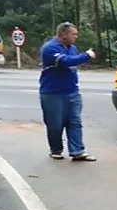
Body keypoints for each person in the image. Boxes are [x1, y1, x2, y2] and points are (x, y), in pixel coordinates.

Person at [39, 22, 96, 161]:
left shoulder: (72, 48)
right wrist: (86, 56)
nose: (75, 37)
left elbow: (73, 62)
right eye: (73, 34)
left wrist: (82, 57)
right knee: (55, 124)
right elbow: (65, 61)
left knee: (75, 122)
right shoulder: (49, 48)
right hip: (52, 92)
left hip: (72, 91)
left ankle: (77, 151)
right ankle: (56, 149)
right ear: (63, 34)